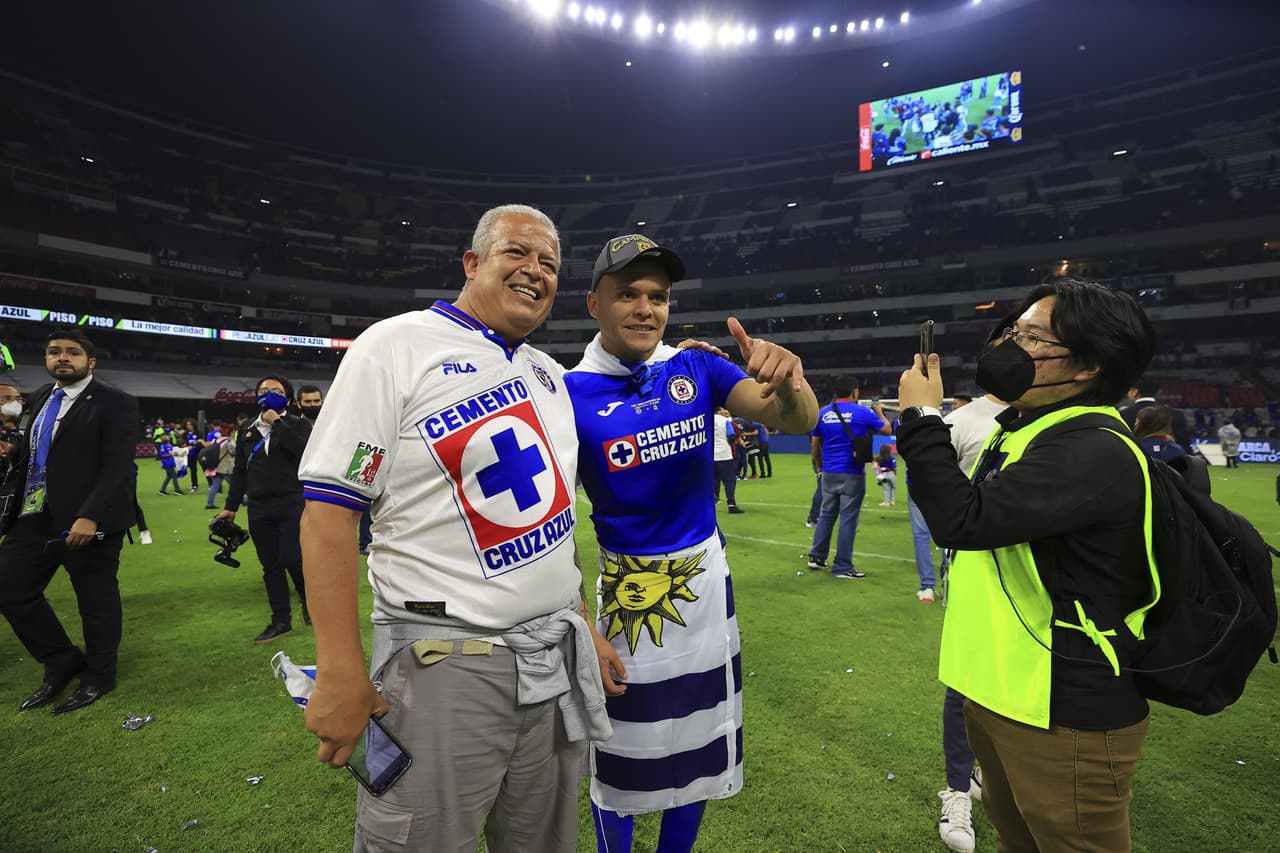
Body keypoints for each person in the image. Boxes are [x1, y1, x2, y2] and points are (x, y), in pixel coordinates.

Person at [296, 204, 612, 853]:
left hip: (553, 661)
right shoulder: (396, 346)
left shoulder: (549, 377)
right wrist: (339, 669)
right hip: (441, 666)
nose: (535, 271)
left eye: (549, 263)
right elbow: (329, 514)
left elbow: (554, 520)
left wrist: (585, 621)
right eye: (517, 254)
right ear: (473, 263)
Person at [566, 232, 817, 853]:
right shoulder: (566, 394)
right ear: (594, 303)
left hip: (705, 585)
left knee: (700, 745)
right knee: (619, 754)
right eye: (627, 294)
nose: (645, 308)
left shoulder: (696, 365)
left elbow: (796, 419)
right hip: (628, 599)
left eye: (658, 296)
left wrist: (787, 380)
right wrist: (583, 628)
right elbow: (550, 531)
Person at [897, 278, 1160, 852]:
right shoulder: (1030, 428)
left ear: (1089, 365)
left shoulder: (1092, 447)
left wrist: (920, 414)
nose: (1011, 349)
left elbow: (961, 522)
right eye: (1013, 332)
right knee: (1017, 839)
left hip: (1063, 707)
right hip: (1001, 690)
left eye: (1034, 339)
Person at [0, 330, 139, 714]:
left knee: (96, 602)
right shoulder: (44, 396)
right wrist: (17, 449)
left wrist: (90, 515)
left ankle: (99, 676)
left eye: (73, 352)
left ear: (90, 363)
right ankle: (61, 660)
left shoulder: (116, 403)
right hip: (33, 514)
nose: (63, 357)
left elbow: (118, 468)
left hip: (86, 521)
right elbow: (44, 451)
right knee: (10, 589)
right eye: (54, 351)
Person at [216, 375, 313, 643]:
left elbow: (305, 454)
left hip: (292, 501)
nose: (268, 393)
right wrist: (230, 507)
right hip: (258, 505)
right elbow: (239, 471)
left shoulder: (298, 425)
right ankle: (281, 620)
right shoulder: (247, 428)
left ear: (288, 399)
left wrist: (277, 422)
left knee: (293, 559)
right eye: (263, 389)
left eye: (276, 390)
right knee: (270, 565)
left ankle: (309, 602)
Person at [805, 377, 891, 578]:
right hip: (852, 472)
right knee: (848, 519)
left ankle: (816, 557)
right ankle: (842, 566)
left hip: (830, 472)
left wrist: (820, 466)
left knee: (827, 514)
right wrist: (879, 412)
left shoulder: (823, 413)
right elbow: (887, 430)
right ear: (855, 392)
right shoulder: (862, 412)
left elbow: (815, 445)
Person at [712, 407, 743, 513]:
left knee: (714, 480)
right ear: (719, 411)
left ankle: (713, 502)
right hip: (724, 455)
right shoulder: (725, 421)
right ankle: (731, 505)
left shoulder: (705, 419)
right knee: (729, 482)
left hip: (711, 455)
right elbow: (731, 437)